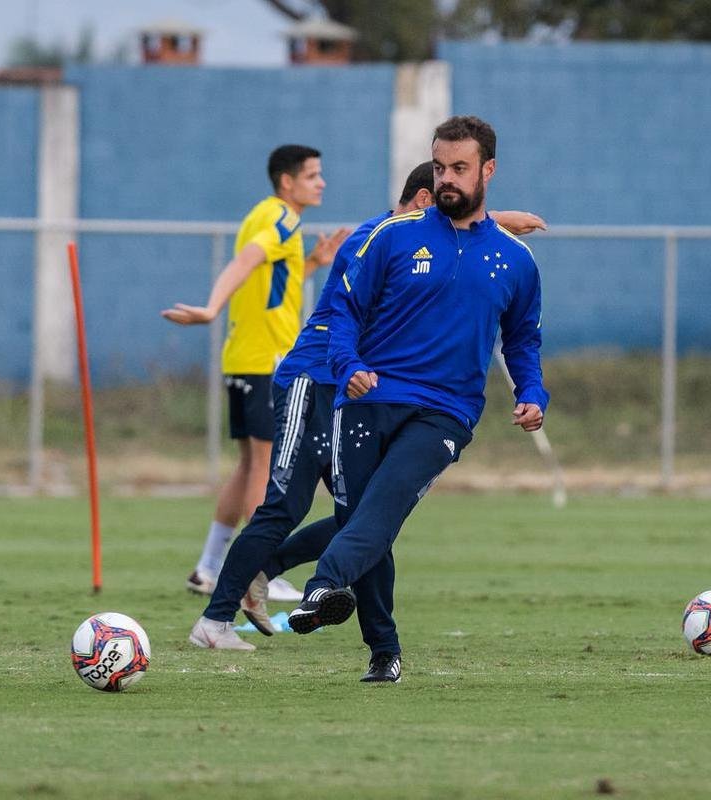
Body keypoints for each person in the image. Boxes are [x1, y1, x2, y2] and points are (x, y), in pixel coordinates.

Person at [186, 161, 546, 651]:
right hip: (312, 378)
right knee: (285, 504)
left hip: (356, 393)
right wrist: (500, 218)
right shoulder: (377, 236)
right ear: (425, 199)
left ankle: (266, 570)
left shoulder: (420, 239)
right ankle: (214, 620)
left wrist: (495, 224)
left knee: (364, 515)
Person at [287, 115, 549, 683]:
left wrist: (531, 391)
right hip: (367, 398)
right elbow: (344, 311)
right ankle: (384, 651)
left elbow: (522, 340)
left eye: (460, 167)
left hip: (445, 413)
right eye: (439, 167)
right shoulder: (393, 236)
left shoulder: (516, 261)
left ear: (488, 171)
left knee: (383, 505)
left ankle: (322, 585)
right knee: (363, 521)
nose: (446, 178)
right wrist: (348, 365)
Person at [162, 144, 349, 601]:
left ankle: (208, 567)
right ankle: (259, 572)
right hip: (267, 359)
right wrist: (211, 308)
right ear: (287, 181)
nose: (321, 183)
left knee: (249, 465)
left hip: (243, 357)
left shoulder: (262, 214)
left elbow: (270, 285)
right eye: (312, 175)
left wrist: (313, 263)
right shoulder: (283, 219)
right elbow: (245, 261)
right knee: (265, 468)